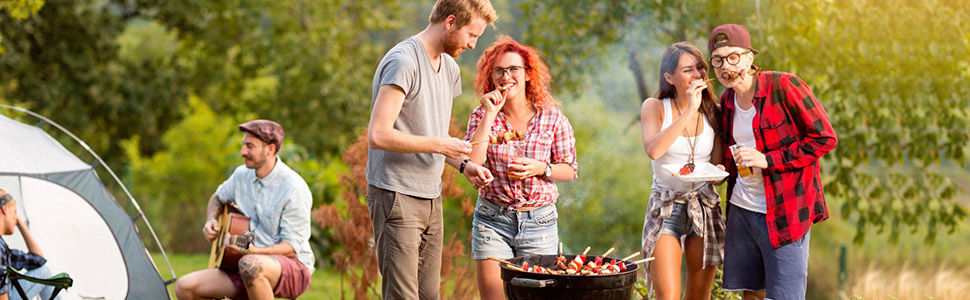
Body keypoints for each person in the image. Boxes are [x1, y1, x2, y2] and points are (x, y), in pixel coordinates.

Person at [365, 0, 498, 299]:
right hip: (396, 195)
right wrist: (442, 144)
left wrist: (464, 165)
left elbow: (431, 132)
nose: (474, 45)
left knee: (429, 296)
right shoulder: (404, 61)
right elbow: (378, 134)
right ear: (450, 22)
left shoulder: (449, 67)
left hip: (430, 196)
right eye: (471, 36)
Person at [708, 24, 838, 300]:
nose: (724, 66)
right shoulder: (727, 99)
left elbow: (824, 138)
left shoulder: (784, 86)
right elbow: (734, 152)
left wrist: (768, 160)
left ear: (749, 58)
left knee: (785, 296)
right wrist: (719, 170)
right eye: (717, 60)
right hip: (742, 208)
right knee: (752, 294)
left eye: (733, 57)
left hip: (785, 211)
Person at [463, 36, 578, 300]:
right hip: (492, 220)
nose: (506, 76)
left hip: (539, 221)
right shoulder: (481, 115)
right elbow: (473, 161)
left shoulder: (552, 118)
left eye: (514, 69)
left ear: (527, 74)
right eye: (499, 71)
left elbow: (569, 169)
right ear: (490, 76)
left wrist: (541, 168)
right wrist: (490, 113)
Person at [175, 120, 314, 300]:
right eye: (243, 145)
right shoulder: (241, 175)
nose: (243, 152)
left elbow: (291, 248)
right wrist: (211, 220)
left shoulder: (294, 189)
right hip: (242, 263)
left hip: (292, 267)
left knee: (251, 266)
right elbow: (218, 197)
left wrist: (253, 251)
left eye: (250, 146)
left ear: (270, 149)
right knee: (185, 287)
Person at [639, 41, 726, 300]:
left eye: (700, 68)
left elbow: (717, 166)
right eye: (688, 70)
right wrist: (689, 110)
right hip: (666, 206)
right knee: (668, 297)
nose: (698, 75)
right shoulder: (654, 107)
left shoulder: (714, 112)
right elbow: (654, 150)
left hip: (704, 205)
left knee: (699, 296)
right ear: (669, 77)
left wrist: (719, 170)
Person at [0, 189, 62, 300]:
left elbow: (38, 260)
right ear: (4, 209)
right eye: (15, 212)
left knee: (44, 271)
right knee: (45, 273)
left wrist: (18, 222)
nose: (16, 218)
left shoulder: (4, 249)